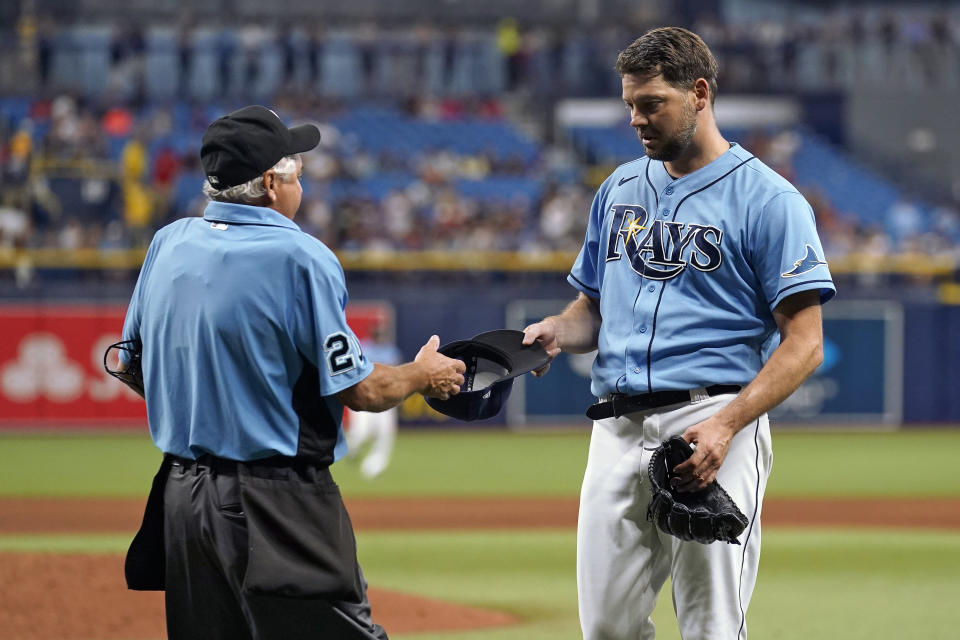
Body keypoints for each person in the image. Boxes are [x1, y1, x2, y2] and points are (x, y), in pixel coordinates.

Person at [522, 27, 835, 639]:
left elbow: (806, 342)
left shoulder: (770, 199)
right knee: (607, 628)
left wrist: (727, 424)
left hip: (714, 421)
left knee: (710, 625)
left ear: (698, 93)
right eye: (630, 106)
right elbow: (594, 307)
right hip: (615, 426)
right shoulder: (618, 188)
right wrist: (559, 330)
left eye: (651, 104)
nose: (636, 120)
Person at [117, 104, 465, 640]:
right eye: (298, 172)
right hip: (275, 502)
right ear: (270, 183)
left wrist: (212, 399)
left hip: (182, 499)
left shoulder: (168, 243)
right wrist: (423, 373)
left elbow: (132, 364)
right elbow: (364, 390)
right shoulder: (300, 256)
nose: (303, 184)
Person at [345, 320, 404, 478]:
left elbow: (397, 374)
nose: (379, 336)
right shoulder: (363, 347)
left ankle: (373, 467)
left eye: (381, 333)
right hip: (365, 397)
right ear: (372, 334)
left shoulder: (391, 351)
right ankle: (351, 448)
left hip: (387, 398)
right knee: (361, 433)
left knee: (385, 436)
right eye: (377, 333)